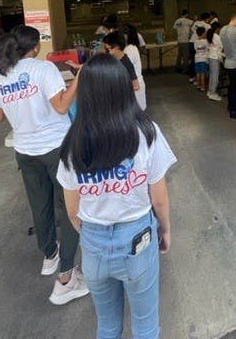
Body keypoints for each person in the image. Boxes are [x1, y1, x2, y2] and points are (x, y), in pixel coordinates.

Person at [57, 54, 176, 339]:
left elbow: (72, 210)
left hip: (93, 245)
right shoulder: (147, 133)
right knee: (146, 326)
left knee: (107, 326)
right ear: (123, 88)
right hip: (138, 240)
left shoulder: (73, 142)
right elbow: (159, 199)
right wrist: (165, 230)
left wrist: (94, 235)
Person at [0, 25, 89, 305]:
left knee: (40, 203)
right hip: (55, 148)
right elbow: (61, 107)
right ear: (35, 46)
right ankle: (67, 273)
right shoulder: (44, 70)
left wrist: (19, 109)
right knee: (69, 206)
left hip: (25, 152)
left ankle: (49, 256)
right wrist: (78, 81)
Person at [102, 32, 141, 99]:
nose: (106, 46)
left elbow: (136, 86)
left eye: (109, 44)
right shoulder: (112, 58)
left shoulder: (126, 62)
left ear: (117, 46)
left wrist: (117, 88)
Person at [124, 26, 147, 110]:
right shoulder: (132, 47)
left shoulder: (129, 49)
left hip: (135, 84)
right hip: (137, 83)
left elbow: (127, 68)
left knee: (136, 112)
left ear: (126, 36)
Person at [188, 12, 211, 83]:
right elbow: (209, 35)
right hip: (200, 43)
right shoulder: (207, 26)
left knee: (194, 61)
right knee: (202, 62)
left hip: (192, 42)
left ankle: (192, 77)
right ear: (207, 19)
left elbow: (191, 30)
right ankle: (202, 79)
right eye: (209, 19)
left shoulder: (196, 23)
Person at [173, 9, 193, 74]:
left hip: (179, 40)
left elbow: (174, 28)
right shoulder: (187, 21)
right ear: (186, 14)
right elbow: (194, 24)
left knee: (179, 55)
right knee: (185, 56)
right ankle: (185, 70)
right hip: (185, 40)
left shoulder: (177, 21)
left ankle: (177, 67)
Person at [206, 22, 223, 101]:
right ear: (217, 28)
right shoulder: (216, 36)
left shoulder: (210, 34)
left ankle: (210, 91)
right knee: (215, 76)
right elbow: (222, 46)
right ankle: (213, 93)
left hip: (211, 56)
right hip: (215, 57)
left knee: (212, 75)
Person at [194, 25, 209, 92]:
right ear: (203, 33)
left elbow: (195, 49)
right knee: (203, 73)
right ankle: (203, 87)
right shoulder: (206, 41)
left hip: (197, 59)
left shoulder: (196, 41)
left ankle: (198, 85)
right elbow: (208, 49)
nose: (206, 33)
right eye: (205, 32)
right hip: (203, 59)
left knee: (198, 73)